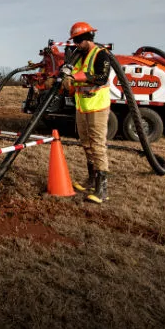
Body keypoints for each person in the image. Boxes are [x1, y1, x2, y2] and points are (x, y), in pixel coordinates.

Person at [59, 21, 112, 204]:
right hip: (82, 107)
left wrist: (75, 77)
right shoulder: (79, 55)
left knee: (97, 146)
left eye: (77, 41)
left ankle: (102, 190)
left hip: (97, 107)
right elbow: (71, 74)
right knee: (86, 144)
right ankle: (91, 181)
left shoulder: (101, 54)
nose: (75, 45)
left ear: (86, 38)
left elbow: (101, 77)